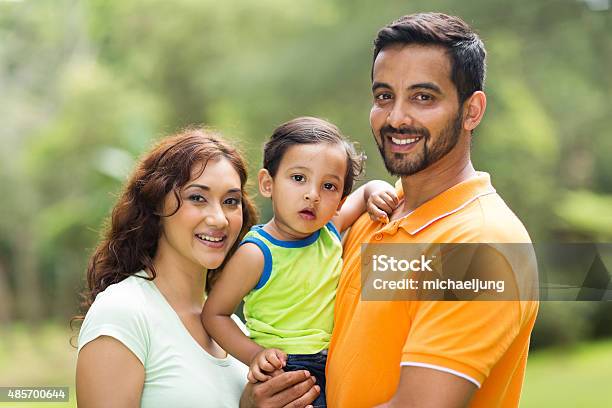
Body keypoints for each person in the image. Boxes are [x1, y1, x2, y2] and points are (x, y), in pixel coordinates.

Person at [325, 13, 539, 408]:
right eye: (384, 96)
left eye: (423, 97)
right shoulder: (377, 212)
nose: (396, 118)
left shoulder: (483, 244)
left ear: (472, 111)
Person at [75, 128, 320, 408]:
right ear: (156, 204)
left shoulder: (235, 330)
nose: (219, 219)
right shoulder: (124, 313)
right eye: (197, 198)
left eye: (230, 201)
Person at [202, 117, 398, 408]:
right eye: (298, 178)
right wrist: (255, 355)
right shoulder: (257, 253)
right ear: (268, 184)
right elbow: (214, 315)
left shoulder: (330, 229)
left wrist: (376, 189)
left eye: (329, 186)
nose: (312, 194)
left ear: (341, 201)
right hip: (286, 368)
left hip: (337, 360)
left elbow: (366, 191)